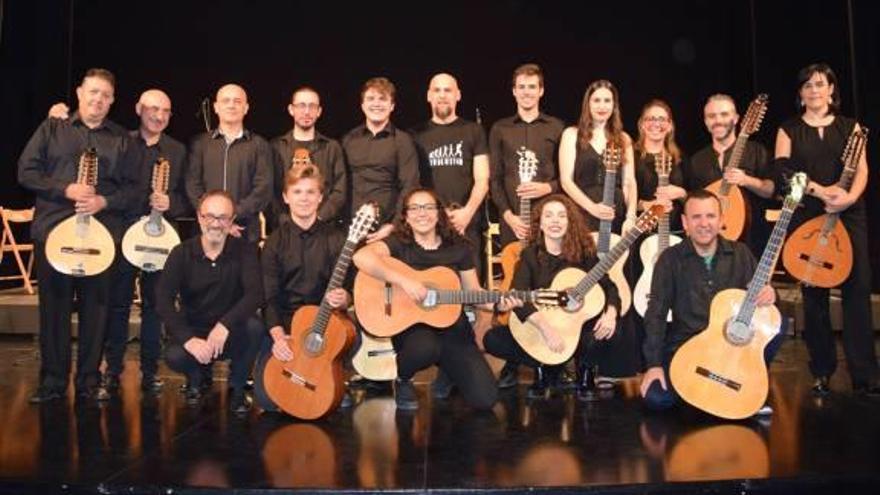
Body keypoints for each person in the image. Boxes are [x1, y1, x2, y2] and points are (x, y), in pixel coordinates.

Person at [46, 89, 190, 393]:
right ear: (138, 108)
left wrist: (170, 203)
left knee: (156, 306)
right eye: (152, 109)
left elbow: (187, 199)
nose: (159, 116)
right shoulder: (120, 141)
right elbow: (109, 186)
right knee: (117, 304)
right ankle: (113, 369)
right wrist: (58, 115)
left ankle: (150, 372)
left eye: (165, 111)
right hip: (121, 234)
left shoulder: (178, 150)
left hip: (161, 238)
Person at [18, 68, 142, 403]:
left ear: (112, 101)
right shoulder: (52, 128)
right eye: (93, 92)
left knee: (96, 311)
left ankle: (88, 381)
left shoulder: (122, 140)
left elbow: (135, 191)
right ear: (79, 93)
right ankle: (53, 383)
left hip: (101, 238)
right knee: (53, 311)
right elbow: (25, 171)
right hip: (54, 233)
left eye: (105, 95)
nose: (98, 99)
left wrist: (105, 201)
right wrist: (65, 189)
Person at [773, 63, 878, 396]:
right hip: (810, 211)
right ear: (800, 93)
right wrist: (820, 191)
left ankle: (865, 373)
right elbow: (783, 170)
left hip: (849, 212)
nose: (814, 90)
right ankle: (821, 370)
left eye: (820, 84)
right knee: (814, 293)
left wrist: (847, 197)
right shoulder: (788, 129)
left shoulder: (852, 128)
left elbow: (862, 170)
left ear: (832, 89)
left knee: (857, 290)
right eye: (807, 86)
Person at [352, 188, 498, 411]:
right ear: (406, 216)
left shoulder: (459, 248)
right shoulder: (398, 243)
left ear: (439, 213)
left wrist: (499, 303)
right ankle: (403, 379)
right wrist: (404, 281)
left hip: (453, 330)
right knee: (425, 347)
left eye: (429, 207)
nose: (422, 213)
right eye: (415, 208)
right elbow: (361, 256)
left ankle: (448, 370)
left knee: (485, 398)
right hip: (413, 330)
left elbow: (474, 292)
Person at [639, 190, 779, 414]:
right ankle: (715, 394)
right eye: (696, 217)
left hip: (730, 351)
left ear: (722, 220)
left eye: (711, 216)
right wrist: (653, 365)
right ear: (685, 222)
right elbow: (655, 314)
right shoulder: (670, 259)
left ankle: (748, 384)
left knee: (779, 326)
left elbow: (763, 303)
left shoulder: (741, 254)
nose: (704, 223)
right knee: (657, 397)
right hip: (685, 348)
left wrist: (770, 295)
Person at [483, 194, 620, 401]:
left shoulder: (584, 254)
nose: (555, 221)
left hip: (574, 330)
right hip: (541, 330)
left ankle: (584, 370)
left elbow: (609, 287)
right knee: (492, 339)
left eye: (561, 216)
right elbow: (518, 297)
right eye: (548, 216)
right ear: (540, 223)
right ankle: (543, 366)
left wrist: (611, 313)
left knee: (608, 331)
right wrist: (546, 329)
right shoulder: (529, 255)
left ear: (569, 222)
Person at [488, 63, 565, 389]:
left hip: (548, 225)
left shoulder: (557, 127)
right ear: (514, 90)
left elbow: (566, 176)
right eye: (521, 86)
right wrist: (508, 216)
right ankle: (513, 358)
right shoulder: (500, 129)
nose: (527, 92)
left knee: (544, 285)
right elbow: (494, 180)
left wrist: (547, 189)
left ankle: (551, 356)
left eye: (532, 86)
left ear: (541, 90)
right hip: (513, 223)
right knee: (513, 290)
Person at [253, 163, 352, 412]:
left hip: (326, 327)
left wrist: (345, 298)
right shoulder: (274, 243)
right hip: (286, 327)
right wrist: (279, 338)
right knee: (268, 401)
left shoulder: (337, 239)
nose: (304, 199)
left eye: (310, 192)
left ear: (320, 197)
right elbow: (269, 297)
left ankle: (334, 379)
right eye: (297, 192)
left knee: (353, 336)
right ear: (286, 197)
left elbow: (351, 286)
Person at [156, 190, 264, 413]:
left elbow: (255, 294)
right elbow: (163, 300)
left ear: (232, 220)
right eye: (210, 216)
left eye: (223, 217)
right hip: (195, 329)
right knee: (174, 355)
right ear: (199, 217)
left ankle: (237, 386)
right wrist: (188, 340)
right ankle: (197, 378)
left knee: (255, 328)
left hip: (230, 330)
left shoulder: (245, 251)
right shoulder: (181, 253)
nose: (216, 224)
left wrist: (225, 325)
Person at [411, 73, 489, 273]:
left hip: (467, 224)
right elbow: (414, 183)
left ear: (458, 95)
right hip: (430, 225)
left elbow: (482, 179)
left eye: (448, 90)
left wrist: (467, 213)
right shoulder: (414, 135)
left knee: (470, 297)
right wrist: (436, 214)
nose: (442, 95)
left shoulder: (474, 131)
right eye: (437, 90)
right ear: (429, 96)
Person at [683, 94, 775, 257]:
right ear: (706, 121)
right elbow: (693, 200)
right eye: (712, 116)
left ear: (737, 118)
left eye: (724, 114)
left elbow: (769, 190)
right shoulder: (697, 160)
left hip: (751, 242)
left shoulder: (756, 151)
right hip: (709, 244)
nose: (718, 120)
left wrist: (746, 180)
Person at [186, 84, 273, 243]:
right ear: (216, 107)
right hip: (205, 230)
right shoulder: (199, 144)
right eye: (226, 101)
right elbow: (192, 186)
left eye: (237, 101)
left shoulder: (260, 145)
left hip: (244, 232)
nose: (231, 105)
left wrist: (230, 217)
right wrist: (215, 219)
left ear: (246, 108)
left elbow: (263, 190)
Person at [342, 77, 420, 243]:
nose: (376, 104)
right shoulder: (348, 140)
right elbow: (339, 184)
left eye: (382, 99)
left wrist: (394, 225)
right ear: (362, 105)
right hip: (350, 229)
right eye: (371, 99)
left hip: (386, 230)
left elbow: (409, 185)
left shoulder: (403, 141)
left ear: (392, 106)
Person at [559, 79, 637, 235]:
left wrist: (630, 216)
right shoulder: (571, 135)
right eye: (596, 100)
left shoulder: (624, 139)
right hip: (583, 212)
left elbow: (629, 182)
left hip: (616, 214)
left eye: (607, 101)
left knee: (617, 259)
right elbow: (566, 181)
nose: (602, 106)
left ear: (614, 105)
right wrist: (593, 208)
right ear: (588, 104)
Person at [270, 86, 346, 227]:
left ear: (319, 111)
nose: (306, 111)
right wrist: (285, 220)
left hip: (324, 228)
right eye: (301, 106)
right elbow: (270, 191)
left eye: (312, 106)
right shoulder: (275, 147)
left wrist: (319, 218)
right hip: (285, 229)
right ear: (291, 110)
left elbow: (340, 191)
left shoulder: (332, 147)